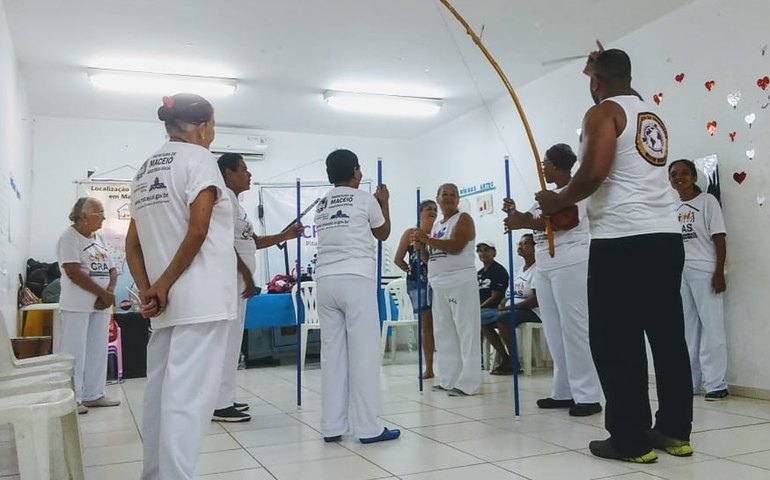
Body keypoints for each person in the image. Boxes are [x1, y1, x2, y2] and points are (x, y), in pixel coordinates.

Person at [536, 49, 693, 463]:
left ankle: (630, 439)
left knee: (616, 342)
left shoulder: (602, 113)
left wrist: (556, 201)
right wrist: (603, 69)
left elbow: (591, 174)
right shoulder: (650, 114)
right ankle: (676, 432)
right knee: (667, 338)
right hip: (664, 239)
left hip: (622, 241)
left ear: (595, 81)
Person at [125, 93, 237, 479]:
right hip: (200, 299)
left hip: (166, 306)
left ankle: (155, 474)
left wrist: (148, 289)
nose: (213, 132)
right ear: (203, 125)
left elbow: (132, 244)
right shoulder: (200, 160)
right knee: (188, 401)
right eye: (213, 124)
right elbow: (199, 227)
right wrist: (164, 284)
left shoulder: (143, 170)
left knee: (160, 396)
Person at [503, 143, 602, 417]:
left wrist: (524, 222)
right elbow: (533, 219)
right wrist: (515, 215)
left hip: (571, 263)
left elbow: (564, 222)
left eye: (545, 163)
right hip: (545, 266)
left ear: (556, 165)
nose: (543, 168)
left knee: (575, 328)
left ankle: (588, 396)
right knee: (554, 331)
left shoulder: (576, 191)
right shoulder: (544, 196)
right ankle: (564, 391)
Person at [313, 149, 400, 444]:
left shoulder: (322, 203)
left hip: (324, 281)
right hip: (356, 278)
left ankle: (332, 426)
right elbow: (383, 233)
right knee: (363, 354)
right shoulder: (365, 199)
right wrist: (384, 203)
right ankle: (368, 428)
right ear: (355, 172)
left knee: (332, 354)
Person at [213, 153, 304, 422]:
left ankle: (225, 398)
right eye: (243, 169)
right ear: (228, 173)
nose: (249, 174)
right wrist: (246, 275)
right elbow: (223, 244)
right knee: (227, 340)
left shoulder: (237, 205)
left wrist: (285, 236)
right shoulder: (222, 199)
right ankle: (218, 404)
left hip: (239, 281)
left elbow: (252, 242)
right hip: (230, 280)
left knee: (234, 340)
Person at [669, 159, 729, 400]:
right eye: (673, 174)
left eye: (684, 173)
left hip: (705, 272)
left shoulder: (707, 202)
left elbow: (719, 238)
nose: (679, 177)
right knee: (686, 330)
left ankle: (716, 384)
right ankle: (690, 383)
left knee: (712, 328)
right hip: (680, 275)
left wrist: (718, 272)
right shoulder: (672, 209)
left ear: (694, 177)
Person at [413, 183, 481, 396]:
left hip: (460, 281)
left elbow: (456, 246)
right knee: (443, 332)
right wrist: (420, 248)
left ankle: (469, 382)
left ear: (458, 199)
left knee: (467, 331)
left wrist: (428, 240)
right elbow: (431, 257)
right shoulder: (437, 225)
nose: (449, 198)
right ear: (438, 198)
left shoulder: (463, 219)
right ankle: (449, 378)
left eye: (453, 195)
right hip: (438, 283)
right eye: (445, 194)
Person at [57, 197, 120, 414]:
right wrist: (102, 293)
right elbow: (73, 271)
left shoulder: (99, 238)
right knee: (74, 353)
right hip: (77, 306)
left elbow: (112, 269)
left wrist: (109, 293)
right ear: (82, 216)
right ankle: (71, 400)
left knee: (97, 350)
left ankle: (94, 394)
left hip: (100, 306)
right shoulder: (69, 238)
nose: (103, 217)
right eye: (98, 213)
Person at [394, 199, 438, 379]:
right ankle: (429, 368)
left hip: (438, 280)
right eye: (429, 209)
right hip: (417, 283)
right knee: (426, 325)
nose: (433, 211)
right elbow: (398, 259)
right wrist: (411, 271)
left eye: (435, 209)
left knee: (442, 323)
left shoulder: (440, 231)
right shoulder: (410, 233)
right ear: (420, 212)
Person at [491, 234, 541, 374]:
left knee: (503, 318)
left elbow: (536, 299)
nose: (521, 247)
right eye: (520, 244)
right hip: (512, 309)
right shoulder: (519, 270)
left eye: (525, 244)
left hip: (533, 311)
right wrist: (502, 305)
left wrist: (510, 308)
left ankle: (513, 362)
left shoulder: (538, 269)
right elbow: (507, 295)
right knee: (484, 321)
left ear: (535, 247)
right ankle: (505, 358)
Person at [475, 241, 510, 374]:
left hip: (496, 309)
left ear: (494, 252)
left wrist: (478, 308)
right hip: (482, 311)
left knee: (479, 319)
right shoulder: (479, 273)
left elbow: (496, 297)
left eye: (486, 250)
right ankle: (477, 359)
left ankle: (505, 358)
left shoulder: (498, 271)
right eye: (480, 251)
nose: (483, 253)